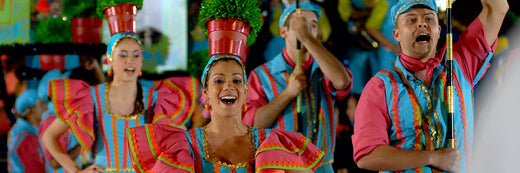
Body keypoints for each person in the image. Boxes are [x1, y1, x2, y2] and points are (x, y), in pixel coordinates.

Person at [352, 0, 509, 172]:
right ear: (396, 34)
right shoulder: (380, 86)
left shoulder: (460, 64)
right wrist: (432, 158)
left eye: (429, 19)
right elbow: (367, 156)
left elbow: (498, 7)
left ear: (439, 30)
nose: (421, 23)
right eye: (411, 20)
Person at [127, 55, 325, 172]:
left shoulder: (272, 144)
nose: (229, 86)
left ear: (246, 91)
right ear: (204, 92)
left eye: (237, 80)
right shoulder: (181, 145)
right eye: (219, 81)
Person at [41, 32, 188, 173]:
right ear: (109, 58)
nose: (130, 60)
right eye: (123, 55)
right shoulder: (91, 96)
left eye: (136, 55)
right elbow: (49, 137)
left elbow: (181, 139)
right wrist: (76, 171)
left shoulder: (155, 98)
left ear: (141, 60)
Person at [244, 2, 352, 172]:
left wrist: (306, 38)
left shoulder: (326, 67)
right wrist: (288, 93)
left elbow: (342, 82)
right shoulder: (261, 74)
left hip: (322, 167)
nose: (306, 29)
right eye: (299, 24)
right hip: (282, 168)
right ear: (283, 31)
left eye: (313, 26)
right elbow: (253, 124)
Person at [8, 89, 46, 172]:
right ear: (30, 111)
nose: (46, 107)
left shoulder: (25, 131)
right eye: (41, 104)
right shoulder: (26, 137)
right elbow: (35, 169)